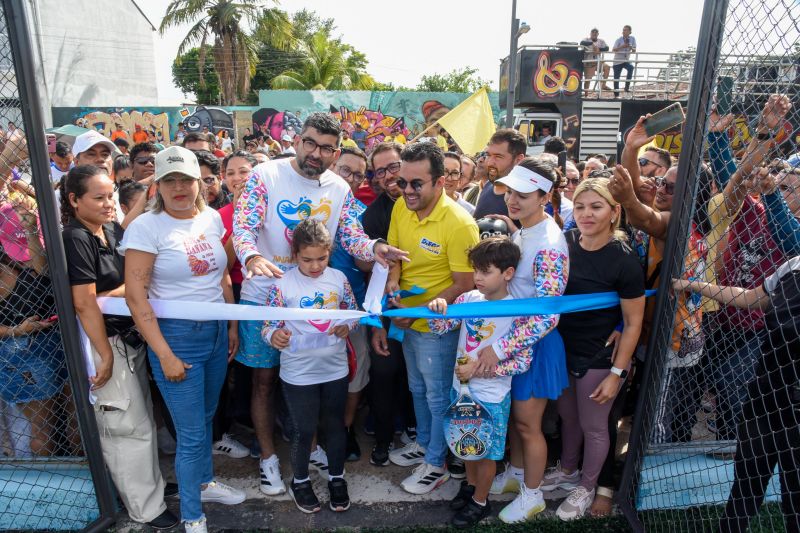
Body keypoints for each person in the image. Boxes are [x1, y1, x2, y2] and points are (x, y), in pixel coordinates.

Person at [233, 113, 407, 497]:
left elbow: (352, 236)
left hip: (318, 303)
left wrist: (376, 249)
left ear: (336, 151)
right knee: (264, 382)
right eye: (310, 143)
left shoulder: (340, 188)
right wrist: (249, 257)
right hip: (264, 298)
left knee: (312, 384)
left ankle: (310, 450)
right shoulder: (266, 175)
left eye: (327, 147)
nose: (317, 153)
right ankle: (267, 460)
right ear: (297, 141)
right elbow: (243, 226)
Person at [122, 146, 245, 533]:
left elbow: (221, 276)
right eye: (169, 180)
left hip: (213, 332)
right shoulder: (146, 226)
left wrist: (231, 325)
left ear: (200, 183)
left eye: (186, 180)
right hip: (175, 337)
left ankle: (204, 484)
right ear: (156, 185)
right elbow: (135, 295)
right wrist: (164, 354)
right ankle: (193, 515)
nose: (179, 187)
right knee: (191, 434)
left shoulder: (209, 219)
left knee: (206, 419)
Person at [61, 165, 178, 530]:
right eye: (98, 197)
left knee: (139, 420)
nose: (109, 203)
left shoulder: (107, 230)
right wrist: (106, 354)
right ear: (73, 200)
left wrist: (147, 187)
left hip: (127, 342)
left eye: (110, 194)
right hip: (104, 343)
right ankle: (146, 507)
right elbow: (84, 302)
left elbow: (128, 231)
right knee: (125, 428)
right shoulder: (76, 238)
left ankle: (151, 489)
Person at [540, 177, 645, 520]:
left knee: (595, 426)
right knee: (569, 417)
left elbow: (632, 322)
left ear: (614, 213)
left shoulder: (625, 260)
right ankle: (569, 471)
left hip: (599, 358)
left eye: (596, 207)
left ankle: (586, 487)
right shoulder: (565, 242)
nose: (586, 214)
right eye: (581, 206)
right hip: (561, 350)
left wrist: (617, 373)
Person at [379, 141, 479, 494]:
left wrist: (417, 311)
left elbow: (464, 285)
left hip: (438, 328)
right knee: (417, 389)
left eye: (415, 183)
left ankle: (436, 464)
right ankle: (424, 445)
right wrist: (393, 287)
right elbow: (394, 258)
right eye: (402, 182)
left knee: (437, 397)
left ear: (441, 182)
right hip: (407, 321)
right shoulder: (400, 208)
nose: (406, 190)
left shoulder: (460, 224)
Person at [673, 257, 800, 533]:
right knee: (744, 491)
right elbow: (750, 298)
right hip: (765, 399)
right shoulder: (793, 266)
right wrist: (693, 285)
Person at [484, 158, 569, 523]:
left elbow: (548, 315)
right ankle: (517, 475)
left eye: (522, 194)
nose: (512, 200)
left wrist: (500, 348)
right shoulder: (525, 231)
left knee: (527, 424)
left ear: (545, 195)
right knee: (517, 421)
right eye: (509, 192)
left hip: (533, 345)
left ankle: (532, 495)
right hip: (515, 342)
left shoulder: (548, 241)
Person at [427, 237, 530, 527]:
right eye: (476, 271)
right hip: (459, 391)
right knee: (466, 447)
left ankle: (481, 501)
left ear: (508, 273)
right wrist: (438, 307)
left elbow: (521, 362)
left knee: (484, 454)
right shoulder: (468, 299)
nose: (478, 278)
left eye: (486, 271)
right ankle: (472, 489)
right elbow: (441, 327)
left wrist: (479, 370)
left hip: (492, 397)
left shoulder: (518, 311)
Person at [263, 219, 358, 514]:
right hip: (298, 371)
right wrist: (273, 336)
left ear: (330, 252)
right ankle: (300, 481)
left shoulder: (339, 278)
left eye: (322, 258)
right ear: (294, 255)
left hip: (335, 368)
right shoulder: (283, 283)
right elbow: (268, 324)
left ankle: (337, 478)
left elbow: (352, 311)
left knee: (334, 425)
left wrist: (347, 325)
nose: (315, 266)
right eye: (307, 259)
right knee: (304, 430)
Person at [360, 141, 416, 466]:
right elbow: (365, 267)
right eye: (380, 171)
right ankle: (383, 440)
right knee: (383, 371)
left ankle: (415, 431)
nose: (389, 175)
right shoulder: (372, 215)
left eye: (393, 166)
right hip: (384, 307)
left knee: (417, 376)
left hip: (425, 306)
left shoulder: (429, 204)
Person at [328, 146, 371, 460]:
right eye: (347, 170)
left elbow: (366, 263)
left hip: (352, 309)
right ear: (332, 166)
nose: (353, 179)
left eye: (359, 174)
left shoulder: (360, 213)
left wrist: (378, 254)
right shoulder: (310, 205)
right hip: (308, 308)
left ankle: (344, 430)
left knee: (355, 374)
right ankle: (320, 434)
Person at [473, 130, 527, 219]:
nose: (490, 162)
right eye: (489, 155)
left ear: (518, 160)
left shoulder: (525, 199)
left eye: (498, 157)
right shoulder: (487, 185)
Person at [580, 28, 611, 93]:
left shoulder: (601, 41)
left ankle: (603, 85)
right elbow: (582, 43)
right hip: (589, 62)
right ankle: (586, 94)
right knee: (588, 80)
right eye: (593, 32)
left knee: (607, 67)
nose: (594, 33)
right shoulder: (586, 39)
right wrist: (592, 44)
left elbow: (607, 48)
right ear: (590, 33)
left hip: (598, 62)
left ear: (598, 34)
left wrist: (598, 49)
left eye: (596, 32)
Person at [612, 26, 637, 98]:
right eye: (623, 30)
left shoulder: (632, 39)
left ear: (630, 32)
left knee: (631, 67)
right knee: (616, 78)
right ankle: (616, 95)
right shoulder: (618, 40)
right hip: (617, 61)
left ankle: (627, 87)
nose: (624, 31)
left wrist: (631, 47)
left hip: (626, 60)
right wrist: (622, 46)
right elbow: (613, 50)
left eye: (626, 30)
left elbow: (634, 50)